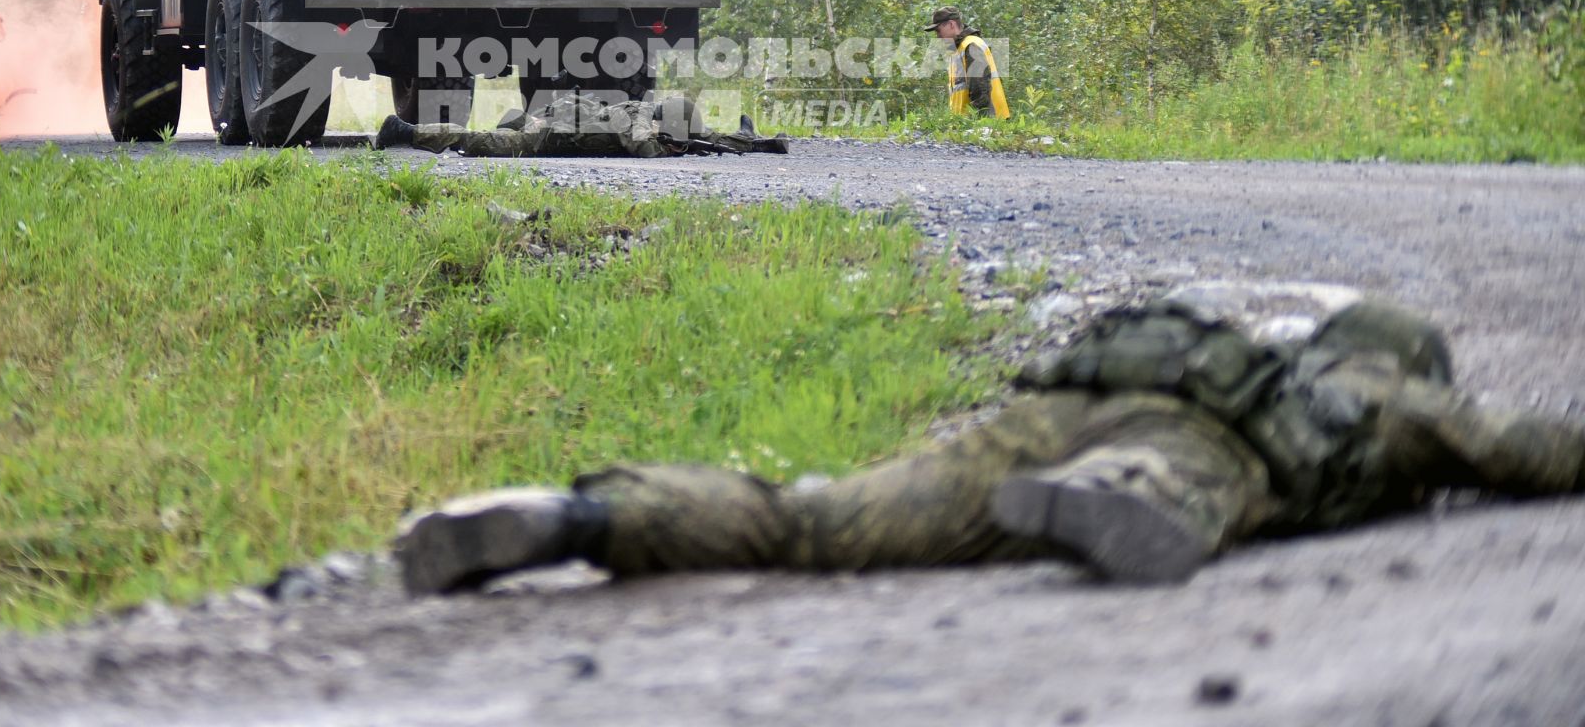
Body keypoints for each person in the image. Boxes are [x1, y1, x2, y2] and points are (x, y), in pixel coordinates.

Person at [394, 300, 1585, 594]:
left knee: (816, 518)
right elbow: (1529, 445)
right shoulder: (1387, 397)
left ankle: (579, 514)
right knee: (1174, 479)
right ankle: (1115, 503)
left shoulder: (1252, 341)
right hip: (1198, 442)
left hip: (1037, 415)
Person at [374, 93, 789, 158]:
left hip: (561, 115)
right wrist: (669, 146)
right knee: (479, 139)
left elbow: (701, 137)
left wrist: (757, 143)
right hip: (544, 136)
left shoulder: (655, 117)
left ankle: (754, 139)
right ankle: (404, 130)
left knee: (707, 140)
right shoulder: (640, 120)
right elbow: (644, 150)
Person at [924, 5, 1009, 119]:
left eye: (938, 31)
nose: (938, 36)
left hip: (988, 125)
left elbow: (980, 91)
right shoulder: (958, 51)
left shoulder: (971, 46)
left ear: (951, 24)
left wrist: (979, 124)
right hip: (971, 126)